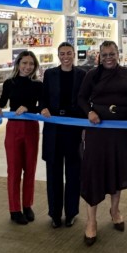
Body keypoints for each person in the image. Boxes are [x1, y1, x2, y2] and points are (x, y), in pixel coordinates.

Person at [75, 41, 127, 247]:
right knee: (93, 172)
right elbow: (81, 98)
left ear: (118, 54)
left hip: (120, 130)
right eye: (105, 55)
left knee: (117, 169)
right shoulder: (91, 75)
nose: (108, 58)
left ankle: (115, 210)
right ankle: (91, 221)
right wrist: (89, 112)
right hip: (97, 130)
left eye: (112, 54)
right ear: (99, 56)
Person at [0, 50, 44, 225]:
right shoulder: (9, 83)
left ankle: (27, 205)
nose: (28, 67)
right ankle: (14, 209)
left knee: (30, 169)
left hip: (31, 128)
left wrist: (28, 108)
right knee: (13, 170)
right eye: (24, 63)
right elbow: (2, 101)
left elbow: (42, 107)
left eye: (31, 64)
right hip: (13, 128)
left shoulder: (38, 85)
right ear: (18, 64)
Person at [41, 43, 87, 228]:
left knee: (74, 173)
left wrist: (84, 126)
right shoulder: (49, 74)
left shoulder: (82, 74)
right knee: (53, 173)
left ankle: (71, 213)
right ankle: (54, 214)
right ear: (58, 55)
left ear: (74, 54)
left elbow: (85, 100)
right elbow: (43, 97)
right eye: (62, 54)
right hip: (53, 129)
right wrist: (43, 108)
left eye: (69, 53)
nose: (65, 56)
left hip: (73, 129)